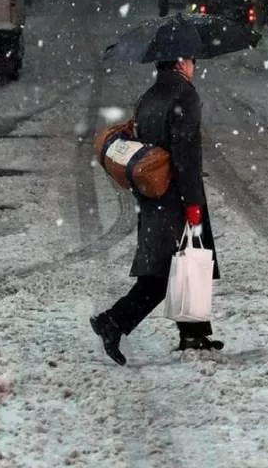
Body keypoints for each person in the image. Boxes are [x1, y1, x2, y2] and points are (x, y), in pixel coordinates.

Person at [90, 52, 222, 366]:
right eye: (192, 61)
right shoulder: (185, 96)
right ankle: (113, 321)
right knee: (166, 270)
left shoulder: (150, 95)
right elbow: (185, 153)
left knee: (187, 261)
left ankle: (195, 334)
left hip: (153, 191)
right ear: (180, 63)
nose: (194, 67)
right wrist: (192, 203)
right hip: (176, 194)